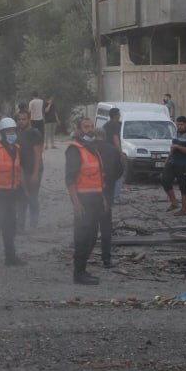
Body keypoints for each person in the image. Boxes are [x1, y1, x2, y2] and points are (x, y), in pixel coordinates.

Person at [0, 118, 27, 270]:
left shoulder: (17, 149)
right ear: (2, 133)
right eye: (9, 131)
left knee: (10, 227)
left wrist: (24, 189)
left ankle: (10, 257)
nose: (12, 134)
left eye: (13, 131)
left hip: (11, 194)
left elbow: (19, 171)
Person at [66, 117, 106, 285]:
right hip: (83, 200)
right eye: (86, 127)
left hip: (96, 199)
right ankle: (79, 273)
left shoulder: (92, 149)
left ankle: (83, 270)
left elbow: (99, 177)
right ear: (79, 130)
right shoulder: (75, 150)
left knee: (91, 237)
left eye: (91, 126)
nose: (90, 129)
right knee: (82, 237)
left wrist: (103, 198)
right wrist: (76, 204)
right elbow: (70, 180)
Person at [96, 123, 125, 268]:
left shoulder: (87, 149)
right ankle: (106, 259)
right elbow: (120, 171)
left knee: (89, 227)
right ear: (105, 137)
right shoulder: (112, 150)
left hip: (89, 193)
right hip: (107, 193)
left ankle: (83, 257)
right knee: (106, 227)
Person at [15, 109, 44, 231]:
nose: (21, 121)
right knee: (21, 196)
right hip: (21, 169)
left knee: (32, 196)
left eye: (24, 119)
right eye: (19, 119)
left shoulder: (34, 133)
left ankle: (33, 223)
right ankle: (20, 224)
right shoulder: (17, 132)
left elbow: (38, 154)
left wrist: (36, 173)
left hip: (33, 168)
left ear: (29, 119)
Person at [162, 116, 186, 216]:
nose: (179, 126)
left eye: (181, 124)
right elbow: (172, 148)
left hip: (184, 165)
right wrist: (167, 159)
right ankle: (174, 203)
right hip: (172, 162)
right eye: (178, 124)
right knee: (165, 180)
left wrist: (178, 147)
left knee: (183, 186)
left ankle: (184, 210)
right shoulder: (176, 133)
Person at [103, 107, 126, 203]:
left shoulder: (106, 125)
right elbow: (116, 140)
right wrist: (121, 153)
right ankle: (116, 197)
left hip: (106, 152)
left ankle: (109, 196)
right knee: (119, 174)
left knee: (109, 175)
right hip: (113, 152)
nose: (120, 115)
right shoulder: (115, 125)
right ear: (116, 115)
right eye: (119, 113)